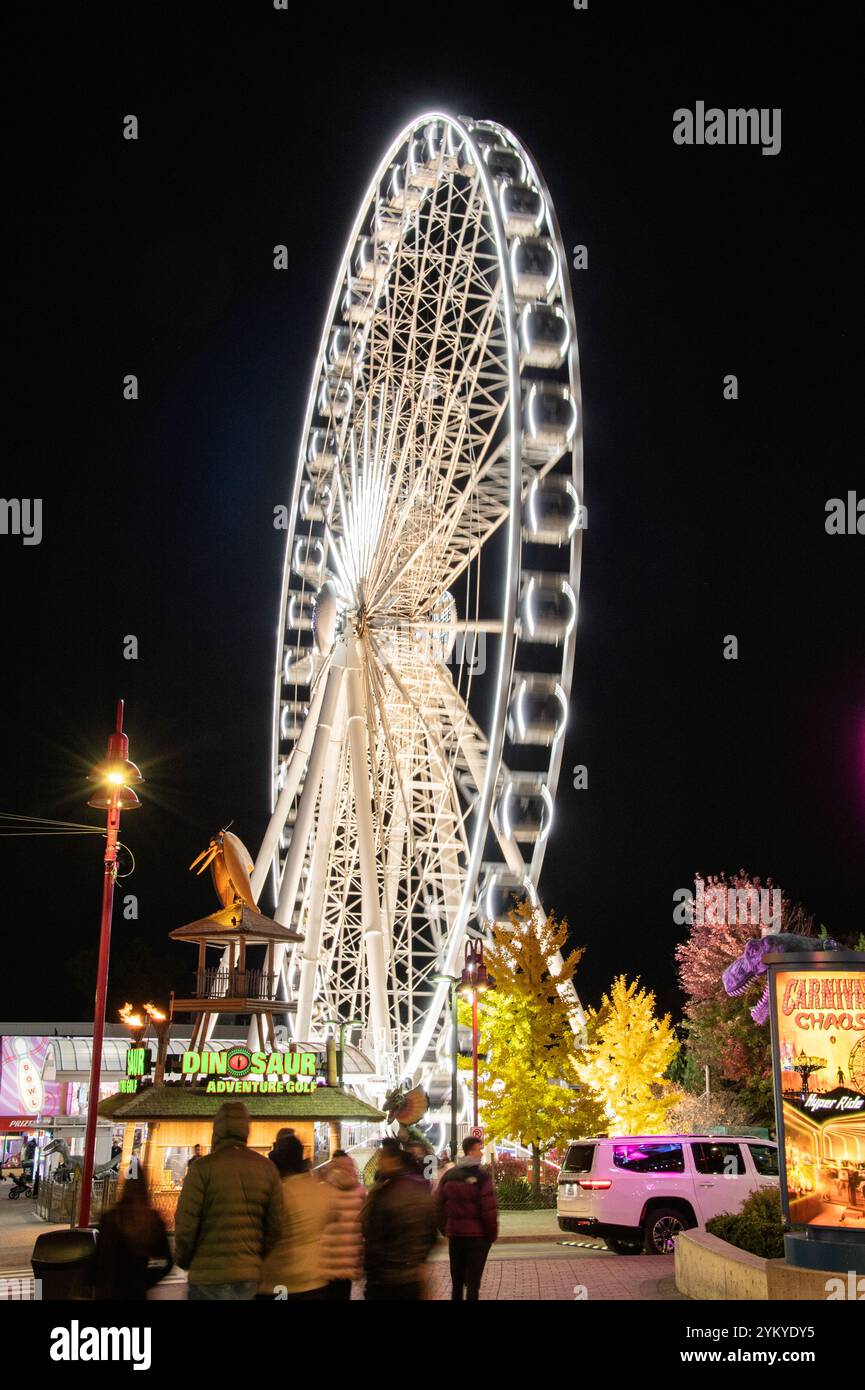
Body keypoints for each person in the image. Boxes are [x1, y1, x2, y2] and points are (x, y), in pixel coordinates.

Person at [174, 1102, 284, 1300]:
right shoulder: (266, 1168)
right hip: (248, 1275)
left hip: (207, 1275)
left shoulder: (202, 1168)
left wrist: (185, 1260)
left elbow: (186, 1223)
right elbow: (275, 1225)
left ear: (216, 1130)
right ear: (246, 1129)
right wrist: (256, 1258)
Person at [258, 1133, 336, 1300]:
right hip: (315, 1281)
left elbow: (266, 1235)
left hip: (280, 1283)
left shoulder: (278, 1194)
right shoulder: (321, 1190)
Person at [362, 1138, 438, 1300]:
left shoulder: (386, 1192)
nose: (379, 1163)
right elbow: (431, 1234)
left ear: (393, 1159)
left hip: (385, 1277)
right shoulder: (420, 1188)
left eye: (382, 1158)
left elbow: (371, 1232)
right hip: (411, 1276)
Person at [436, 1135, 498, 1301]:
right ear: (471, 1151)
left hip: (456, 1236)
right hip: (477, 1238)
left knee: (457, 1282)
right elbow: (489, 1211)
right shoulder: (482, 1178)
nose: (482, 1152)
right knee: (473, 1284)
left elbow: (438, 1205)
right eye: (479, 1149)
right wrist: (491, 1235)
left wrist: (446, 1229)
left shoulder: (450, 1176)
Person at [94, 1178, 173, 1300]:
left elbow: (98, 1258)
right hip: (136, 1290)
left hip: (110, 1290)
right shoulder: (151, 1220)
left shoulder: (110, 1217)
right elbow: (167, 1261)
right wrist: (145, 1281)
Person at [319, 1149, 365, 1300]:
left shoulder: (323, 1189)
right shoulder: (360, 1190)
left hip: (326, 1257)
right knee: (343, 1294)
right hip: (350, 1256)